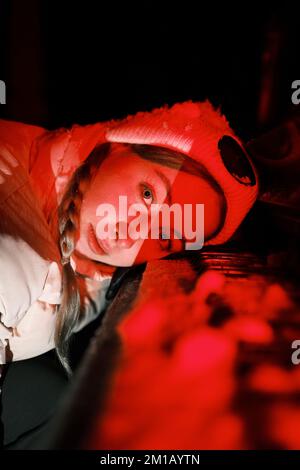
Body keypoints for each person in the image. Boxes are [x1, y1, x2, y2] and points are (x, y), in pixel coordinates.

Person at [0, 100, 258, 446]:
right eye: (148, 194)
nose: (130, 233)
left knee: (50, 398)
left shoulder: (90, 261)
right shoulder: (18, 245)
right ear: (117, 146)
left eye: (166, 236)